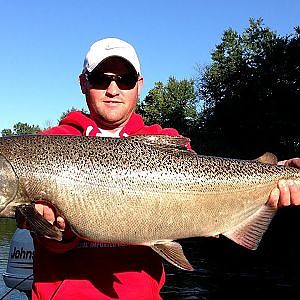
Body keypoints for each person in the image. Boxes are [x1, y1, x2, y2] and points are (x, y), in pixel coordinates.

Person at [24, 37, 300, 300]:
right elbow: (51, 245)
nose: (113, 89)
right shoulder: (47, 143)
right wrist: (54, 231)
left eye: (125, 79)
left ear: (139, 84)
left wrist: (278, 175)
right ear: (83, 83)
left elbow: (211, 196)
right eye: (101, 79)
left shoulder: (166, 140)